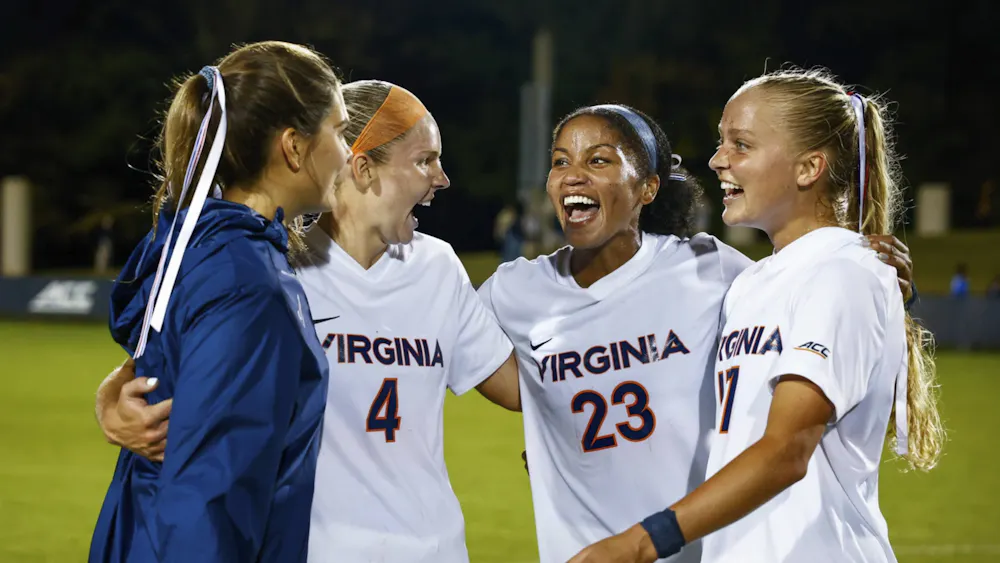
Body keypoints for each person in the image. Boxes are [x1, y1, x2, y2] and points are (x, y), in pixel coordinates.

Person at [94, 80, 521, 563]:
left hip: (434, 550)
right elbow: (166, 362)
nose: (442, 178)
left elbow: (520, 389)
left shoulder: (438, 267)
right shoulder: (275, 268)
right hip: (314, 551)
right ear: (361, 167)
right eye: (425, 160)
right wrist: (112, 397)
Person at [478, 102, 917, 563]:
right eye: (560, 161)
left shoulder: (713, 270)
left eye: (599, 160)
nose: (572, 175)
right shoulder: (514, 291)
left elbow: (806, 309)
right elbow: (460, 353)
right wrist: (554, 438)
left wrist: (867, 275)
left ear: (648, 188)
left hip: (698, 547)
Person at [89, 41, 349, 563]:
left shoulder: (197, 243)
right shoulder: (246, 280)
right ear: (294, 147)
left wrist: (110, 392)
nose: (348, 152)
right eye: (340, 132)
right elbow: (210, 495)